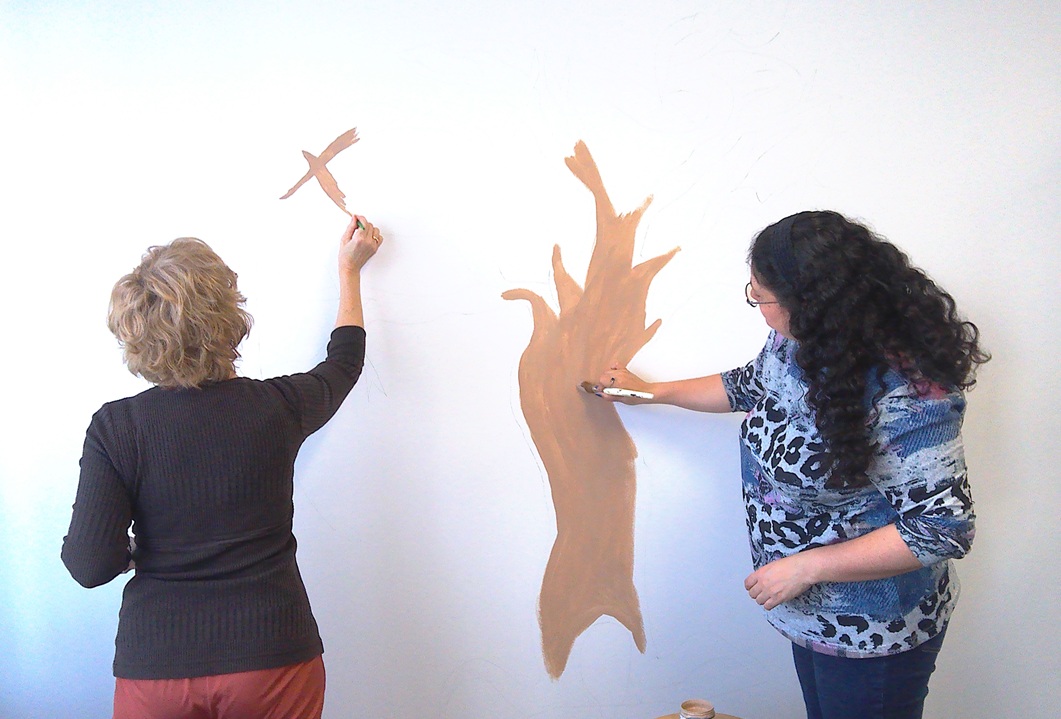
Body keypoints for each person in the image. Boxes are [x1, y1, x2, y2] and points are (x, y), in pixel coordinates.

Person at [592, 210, 988, 719]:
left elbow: (942, 528)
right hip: (809, 611)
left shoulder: (911, 394)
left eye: (761, 297)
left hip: (874, 631)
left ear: (810, 302)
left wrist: (807, 567)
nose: (757, 306)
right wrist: (652, 392)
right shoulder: (800, 339)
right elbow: (754, 385)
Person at [61, 215, 384, 719]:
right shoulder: (278, 406)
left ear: (134, 333)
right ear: (228, 316)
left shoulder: (116, 428)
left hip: (158, 667)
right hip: (273, 657)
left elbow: (88, 565)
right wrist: (349, 271)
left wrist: (132, 554)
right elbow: (343, 364)